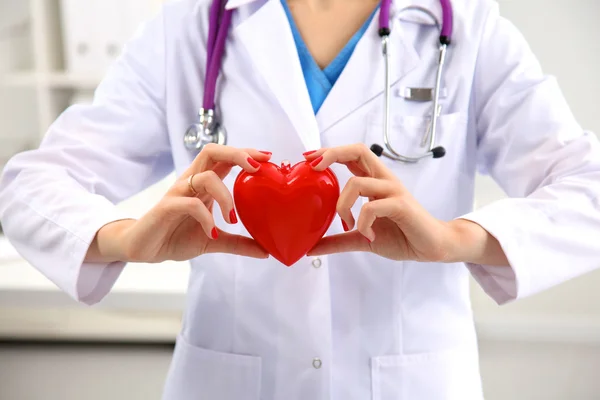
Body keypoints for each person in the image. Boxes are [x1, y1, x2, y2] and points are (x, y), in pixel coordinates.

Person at [1, 0, 599, 398]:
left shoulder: (464, 26)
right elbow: (29, 184)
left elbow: (589, 192)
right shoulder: (191, 24)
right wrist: (123, 237)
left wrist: (452, 240)